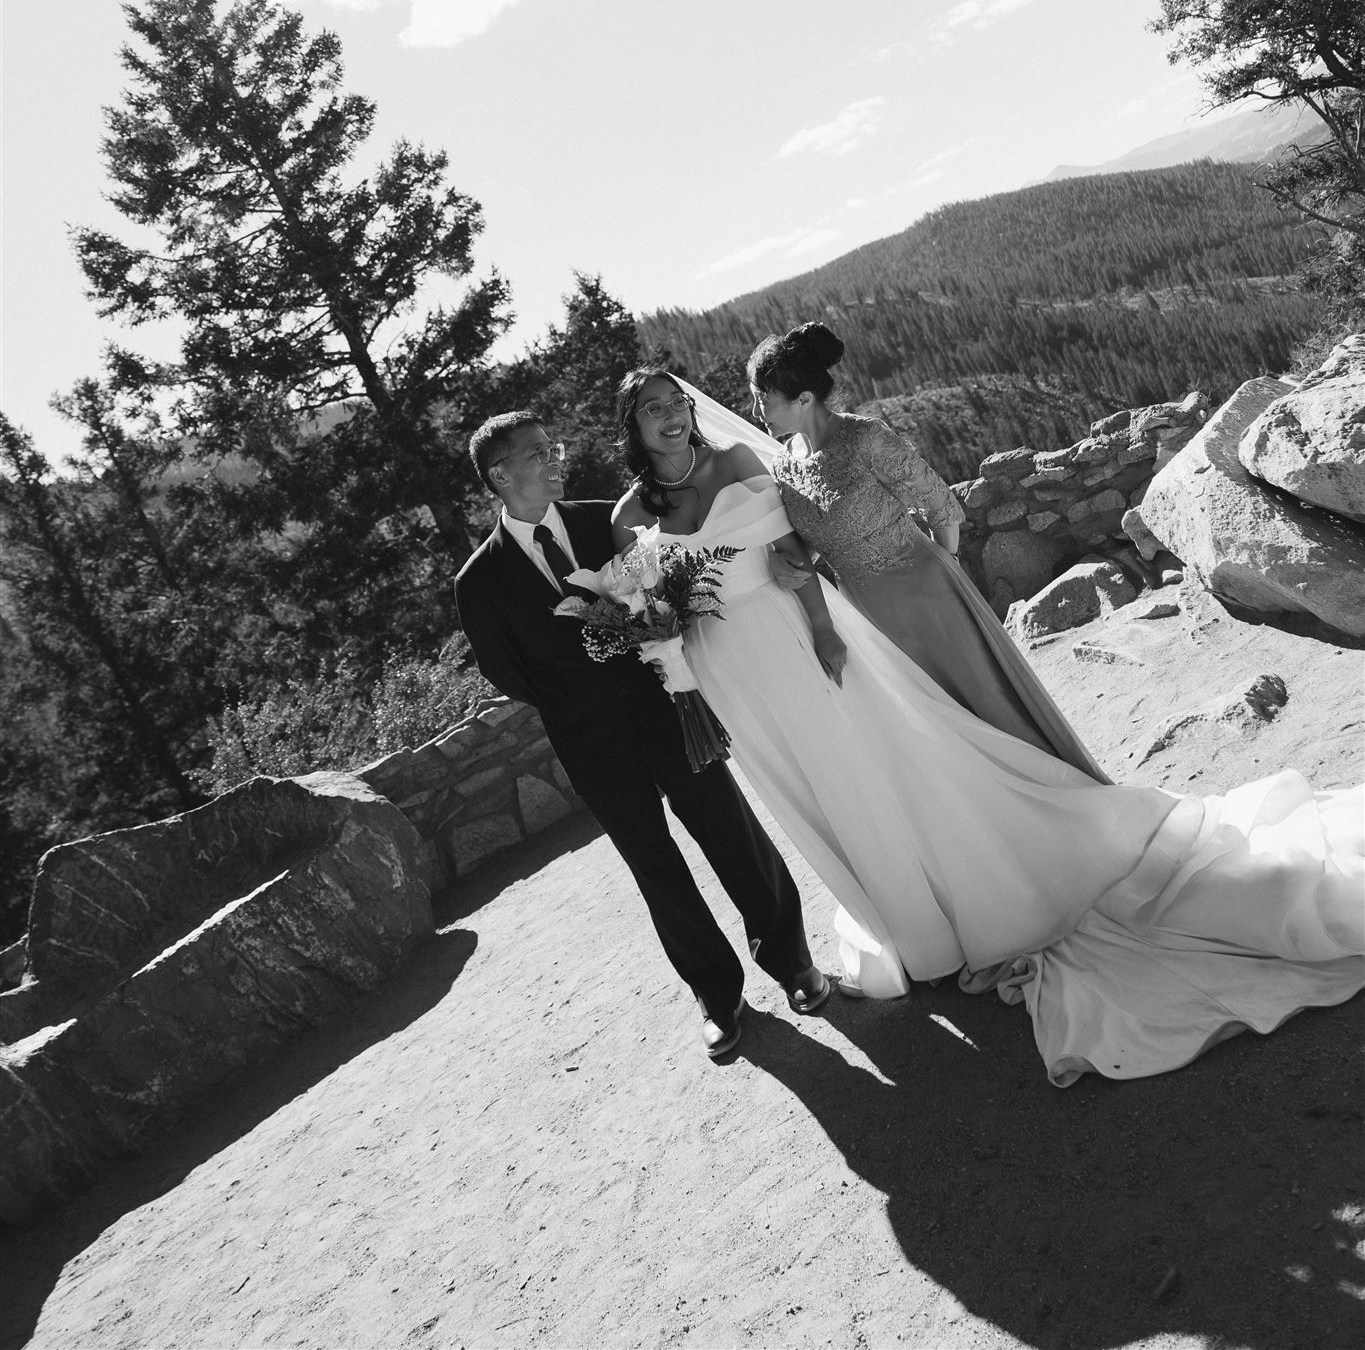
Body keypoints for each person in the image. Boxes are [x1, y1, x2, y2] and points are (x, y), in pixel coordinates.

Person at [609, 370, 1364, 1085]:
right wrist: (679, 668)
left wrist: (825, 630)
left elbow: (791, 556)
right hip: (731, 679)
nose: (671, 415)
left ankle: (951, 901)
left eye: (675, 401)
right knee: (816, 796)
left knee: (877, 761)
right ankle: (902, 921)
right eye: (652, 409)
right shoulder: (627, 519)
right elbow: (647, 619)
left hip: (800, 638)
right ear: (632, 428)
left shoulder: (738, 457)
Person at [454, 410, 830, 1061]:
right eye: (537, 453)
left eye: (553, 446)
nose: (555, 458)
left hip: (670, 712)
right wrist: (588, 682)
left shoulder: (609, 520)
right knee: (656, 871)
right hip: (592, 747)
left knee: (732, 835)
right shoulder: (477, 581)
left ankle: (794, 966)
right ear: (499, 474)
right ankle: (718, 999)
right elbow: (508, 672)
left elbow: (667, 591)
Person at [750, 323, 1107, 780]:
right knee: (934, 729)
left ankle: (1060, 791)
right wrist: (781, 559)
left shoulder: (864, 438)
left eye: (765, 397)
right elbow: (810, 541)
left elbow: (942, 507)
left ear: (803, 399)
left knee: (985, 703)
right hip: (866, 616)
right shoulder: (783, 465)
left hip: (927, 593)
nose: (758, 408)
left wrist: (945, 569)